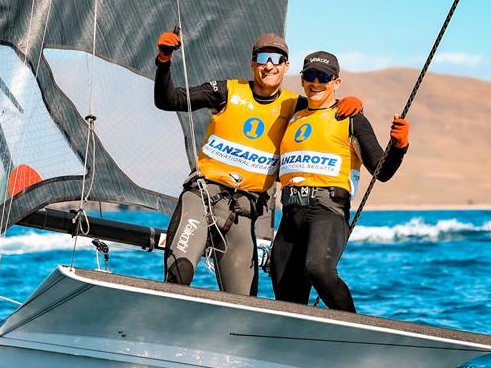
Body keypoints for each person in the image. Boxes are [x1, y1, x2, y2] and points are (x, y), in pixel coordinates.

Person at [153, 32, 363, 296]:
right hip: (203, 198)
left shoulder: (295, 105)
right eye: (263, 58)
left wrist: (350, 105)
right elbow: (168, 100)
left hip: (242, 214)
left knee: (245, 304)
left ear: (286, 67)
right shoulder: (226, 91)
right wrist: (164, 61)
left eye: (278, 59)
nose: (269, 65)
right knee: (179, 273)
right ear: (253, 63)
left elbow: (326, 109)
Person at [269, 51, 409, 312]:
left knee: (318, 269)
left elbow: (382, 171)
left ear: (336, 82)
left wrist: (399, 146)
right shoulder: (293, 113)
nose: (316, 83)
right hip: (289, 216)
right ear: (302, 80)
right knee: (284, 292)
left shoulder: (351, 118)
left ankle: (354, 328)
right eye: (310, 75)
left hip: (326, 211)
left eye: (323, 77)